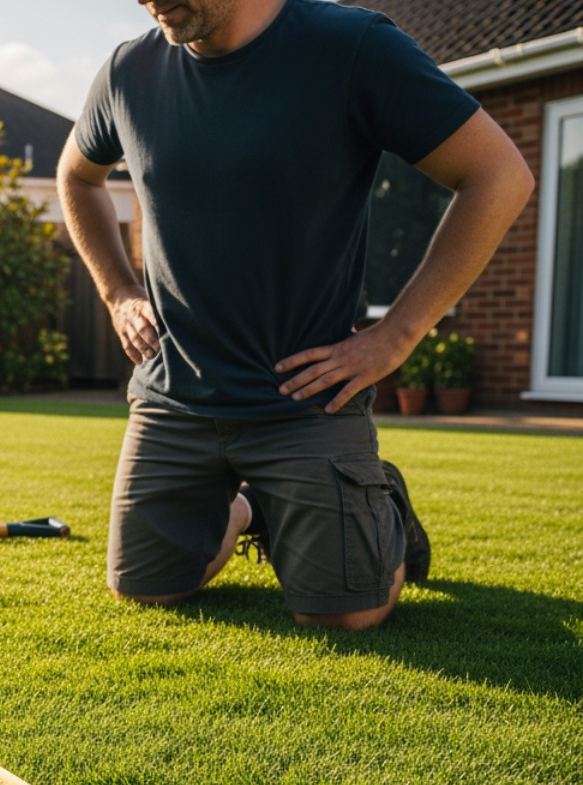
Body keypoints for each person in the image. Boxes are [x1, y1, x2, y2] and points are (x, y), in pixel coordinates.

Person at [58, 0, 533, 630]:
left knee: (344, 618)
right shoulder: (128, 72)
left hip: (304, 398)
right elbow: (77, 177)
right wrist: (118, 291)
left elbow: (498, 175)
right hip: (173, 395)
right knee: (146, 592)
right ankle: (249, 507)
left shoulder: (353, 47)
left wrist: (398, 334)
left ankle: (379, 500)